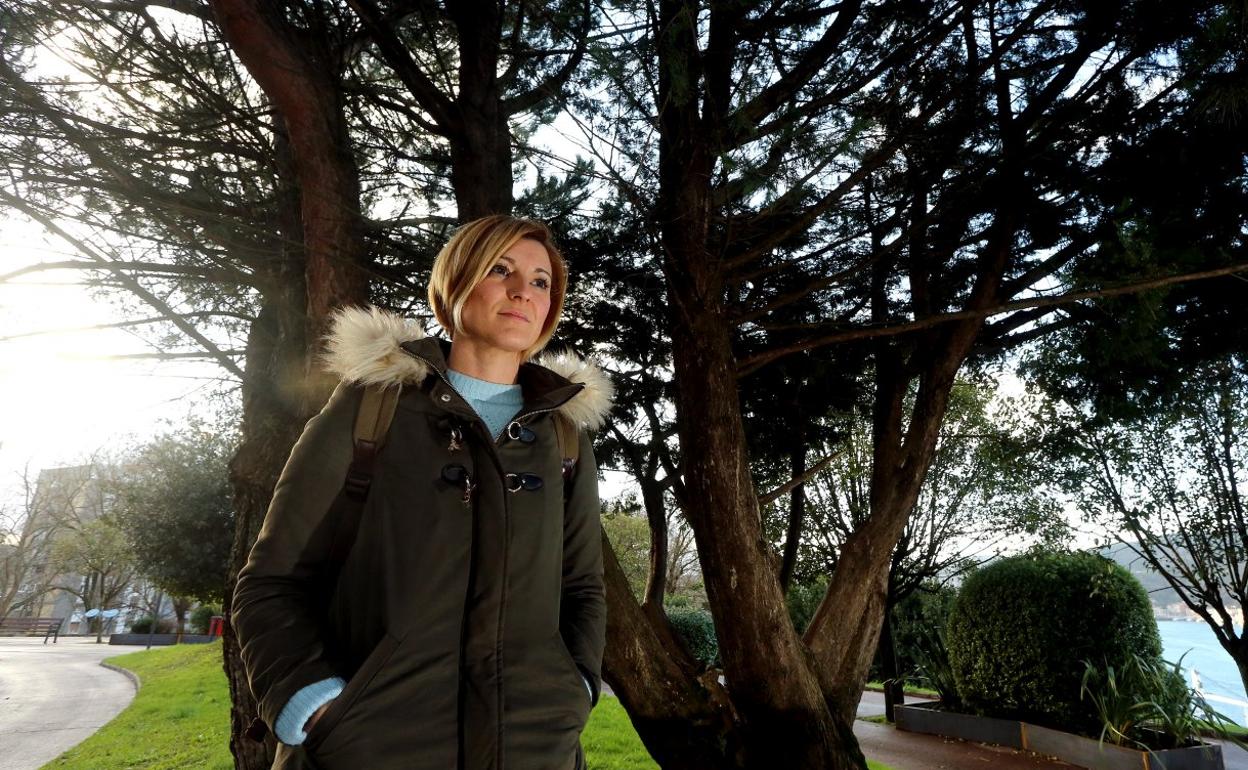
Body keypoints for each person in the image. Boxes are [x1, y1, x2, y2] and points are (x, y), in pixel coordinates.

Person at [232, 215, 612, 770]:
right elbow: (271, 582)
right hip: (371, 750)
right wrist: (316, 707)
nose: (520, 291)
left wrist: (573, 687)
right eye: (499, 270)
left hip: (533, 748)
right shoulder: (371, 408)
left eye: (540, 281)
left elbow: (582, 587)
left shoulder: (562, 436)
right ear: (454, 285)